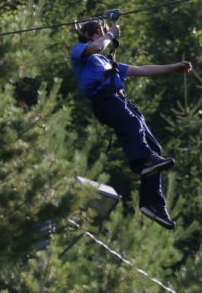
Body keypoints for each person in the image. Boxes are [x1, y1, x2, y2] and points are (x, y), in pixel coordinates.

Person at [70, 16, 192, 229]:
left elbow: (141, 69)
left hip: (119, 100)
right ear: (88, 35)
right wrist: (110, 34)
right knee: (132, 125)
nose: (104, 37)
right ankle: (142, 161)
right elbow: (97, 47)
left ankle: (153, 203)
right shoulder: (80, 51)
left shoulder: (107, 62)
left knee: (154, 147)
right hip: (105, 100)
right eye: (100, 33)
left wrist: (174, 67)